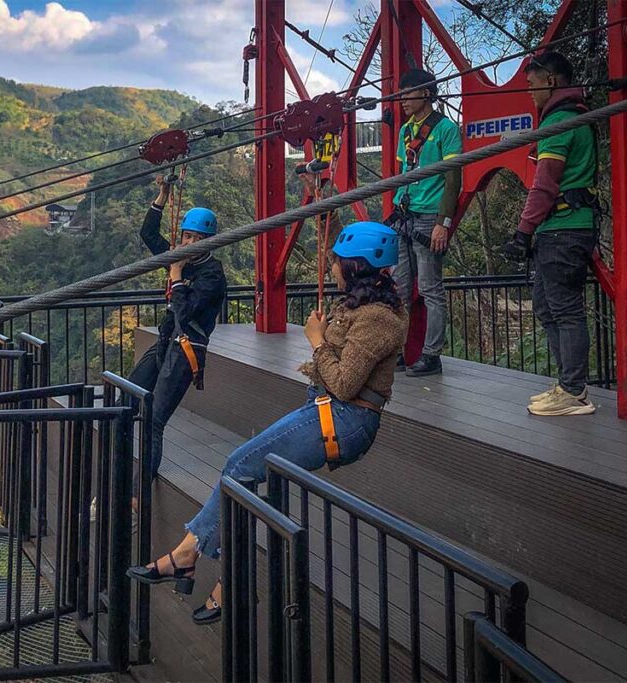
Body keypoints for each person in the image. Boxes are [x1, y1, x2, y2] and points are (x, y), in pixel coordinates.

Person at [127, 220, 407, 625]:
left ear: (356, 267)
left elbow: (346, 383)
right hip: (329, 409)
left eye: (337, 262)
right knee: (246, 474)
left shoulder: (378, 318)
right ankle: (208, 569)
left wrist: (315, 339)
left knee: (241, 465)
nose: (331, 268)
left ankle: (193, 560)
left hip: (345, 417)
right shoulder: (362, 308)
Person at [501, 51, 597, 416]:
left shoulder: (560, 121)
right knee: (546, 305)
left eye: (533, 84)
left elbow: (544, 184)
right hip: (559, 227)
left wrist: (523, 232)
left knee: (565, 309)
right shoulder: (573, 116)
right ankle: (568, 385)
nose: (530, 92)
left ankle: (574, 391)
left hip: (563, 228)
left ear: (552, 81)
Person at [128, 176, 228, 482]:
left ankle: (138, 492)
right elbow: (148, 234)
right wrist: (162, 196)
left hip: (187, 349)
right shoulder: (182, 260)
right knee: (128, 396)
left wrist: (175, 276)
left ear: (209, 241)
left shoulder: (212, 275)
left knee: (154, 419)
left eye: (196, 238)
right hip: (166, 341)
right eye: (186, 237)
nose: (189, 244)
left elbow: (185, 312)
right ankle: (121, 469)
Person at [389, 68, 462, 377]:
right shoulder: (406, 131)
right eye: (401, 93)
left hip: (430, 216)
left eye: (408, 93)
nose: (403, 99)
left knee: (431, 288)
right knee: (399, 288)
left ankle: (431, 354)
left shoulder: (446, 130)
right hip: (405, 215)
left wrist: (443, 222)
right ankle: (399, 352)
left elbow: (453, 178)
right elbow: (402, 174)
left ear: (427, 94)